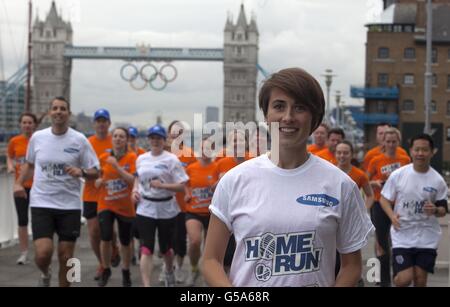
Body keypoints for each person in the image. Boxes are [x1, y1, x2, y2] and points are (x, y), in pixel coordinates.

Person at [202, 68, 373, 287]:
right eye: (279, 106)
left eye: (300, 108)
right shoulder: (234, 181)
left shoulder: (341, 185)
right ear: (266, 115)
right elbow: (210, 260)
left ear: (315, 117)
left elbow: (352, 266)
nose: (288, 117)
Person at [13, 97, 99, 287]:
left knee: (67, 256)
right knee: (43, 254)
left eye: (63, 108)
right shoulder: (38, 138)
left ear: (68, 113)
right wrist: (18, 183)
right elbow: (29, 164)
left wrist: (82, 172)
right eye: (55, 108)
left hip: (70, 205)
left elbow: (96, 171)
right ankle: (45, 273)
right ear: (50, 113)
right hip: (41, 203)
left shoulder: (79, 140)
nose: (58, 111)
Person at [380, 134, 448, 287]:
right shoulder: (398, 175)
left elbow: (444, 208)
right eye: (417, 149)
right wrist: (392, 216)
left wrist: (436, 209)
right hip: (402, 234)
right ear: (410, 151)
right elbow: (384, 199)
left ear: (432, 152)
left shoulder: (437, 180)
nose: (420, 153)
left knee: (420, 279)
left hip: (427, 235)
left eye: (425, 150)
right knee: (404, 279)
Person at [132, 124, 189, 287]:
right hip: (145, 207)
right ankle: (146, 284)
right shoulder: (141, 158)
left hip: (166, 209)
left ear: (164, 140)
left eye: (158, 138)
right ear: (148, 139)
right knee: (146, 248)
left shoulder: (171, 159)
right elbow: (137, 178)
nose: (155, 141)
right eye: (152, 138)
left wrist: (163, 186)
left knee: (165, 248)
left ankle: (169, 271)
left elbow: (181, 186)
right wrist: (134, 191)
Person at [367, 127, 411, 287]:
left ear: (398, 142)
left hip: (398, 205)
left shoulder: (405, 159)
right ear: (383, 142)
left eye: (394, 141)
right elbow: (365, 179)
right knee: (381, 243)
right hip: (379, 204)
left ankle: (399, 277)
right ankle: (381, 280)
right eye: (388, 141)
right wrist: (374, 183)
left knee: (398, 242)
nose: (391, 144)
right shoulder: (376, 160)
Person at [95, 127, 137, 287]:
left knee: (125, 241)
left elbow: (133, 181)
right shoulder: (103, 157)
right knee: (105, 235)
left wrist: (117, 168)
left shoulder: (132, 157)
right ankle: (105, 269)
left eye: (122, 137)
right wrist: (98, 182)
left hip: (125, 206)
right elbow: (99, 178)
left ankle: (125, 271)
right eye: (116, 136)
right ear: (112, 139)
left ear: (126, 140)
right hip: (106, 203)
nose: (118, 139)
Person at [82, 108, 120, 280]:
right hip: (90, 193)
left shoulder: (116, 141)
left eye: (104, 120)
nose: (101, 124)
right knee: (94, 232)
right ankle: (102, 264)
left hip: (110, 192)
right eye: (98, 121)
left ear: (109, 123)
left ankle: (115, 247)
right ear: (94, 123)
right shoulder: (87, 143)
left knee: (108, 230)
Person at [163, 120, 197, 283]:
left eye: (180, 131)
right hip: (164, 203)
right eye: (173, 131)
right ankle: (166, 267)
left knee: (180, 239)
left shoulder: (189, 153)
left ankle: (178, 267)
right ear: (168, 133)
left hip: (183, 205)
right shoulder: (163, 152)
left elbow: (194, 178)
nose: (176, 134)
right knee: (165, 238)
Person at [184, 138, 220, 286]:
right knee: (195, 241)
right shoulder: (191, 167)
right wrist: (186, 193)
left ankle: (208, 276)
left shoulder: (217, 167)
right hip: (194, 211)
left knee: (209, 249)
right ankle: (193, 269)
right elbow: (185, 183)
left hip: (212, 213)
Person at [7, 113, 38, 265]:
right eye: (24, 122)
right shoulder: (14, 141)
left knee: (39, 220)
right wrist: (10, 165)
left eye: (30, 122)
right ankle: (24, 253)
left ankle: (41, 252)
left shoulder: (39, 140)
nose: (27, 125)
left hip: (38, 187)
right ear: (20, 125)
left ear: (34, 125)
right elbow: (9, 156)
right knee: (22, 220)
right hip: (20, 187)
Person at [336, 141, 374, 210]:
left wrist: (363, 211)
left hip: (351, 213)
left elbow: (370, 195)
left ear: (352, 154)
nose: (342, 155)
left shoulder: (360, 174)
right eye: (339, 152)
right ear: (335, 154)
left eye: (346, 153)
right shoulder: (329, 171)